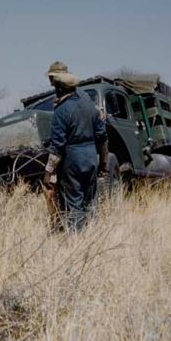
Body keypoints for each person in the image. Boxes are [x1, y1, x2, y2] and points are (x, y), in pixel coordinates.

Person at [43, 62, 109, 232]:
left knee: (74, 205)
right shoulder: (88, 103)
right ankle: (93, 239)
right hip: (91, 157)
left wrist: (48, 172)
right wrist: (103, 163)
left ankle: (77, 245)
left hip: (72, 160)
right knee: (91, 203)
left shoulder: (62, 110)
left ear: (58, 84)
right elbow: (102, 136)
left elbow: (57, 146)